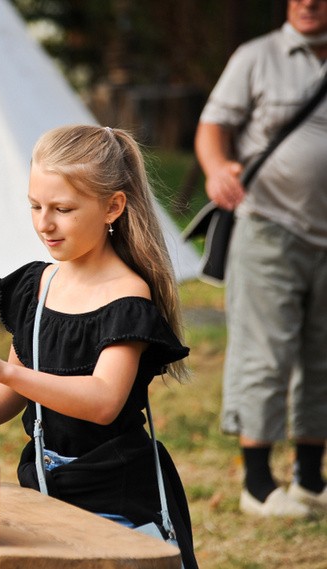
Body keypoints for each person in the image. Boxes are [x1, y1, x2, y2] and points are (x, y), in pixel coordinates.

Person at [0, 125, 198, 568]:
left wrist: (5, 371)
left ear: (113, 207)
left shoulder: (126, 297)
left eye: (63, 209)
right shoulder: (38, 285)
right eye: (35, 206)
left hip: (115, 496)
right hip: (46, 487)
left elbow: (103, 401)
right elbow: (19, 387)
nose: (44, 223)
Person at [194, 0, 327, 518]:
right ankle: (257, 485)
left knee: (321, 356)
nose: (309, 2)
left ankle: (310, 480)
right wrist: (214, 168)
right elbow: (212, 127)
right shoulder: (258, 55)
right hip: (269, 227)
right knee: (266, 353)